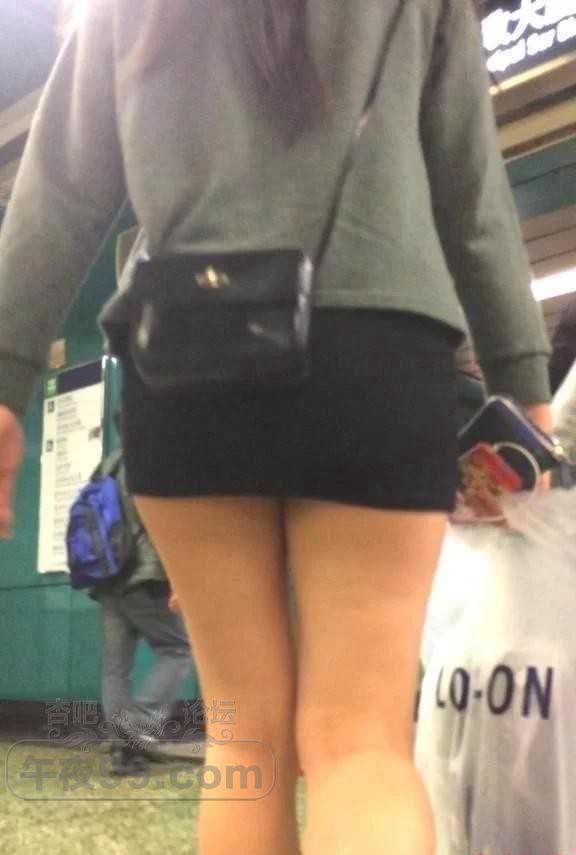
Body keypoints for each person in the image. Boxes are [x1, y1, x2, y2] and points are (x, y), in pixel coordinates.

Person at [0, 1, 552, 853]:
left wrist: (7, 378)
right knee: (360, 741)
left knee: (245, 738)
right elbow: (471, 197)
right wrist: (523, 385)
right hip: (379, 349)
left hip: (184, 359)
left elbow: (59, 192)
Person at [88, 440, 192, 776]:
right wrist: (178, 578)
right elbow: (165, 524)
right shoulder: (153, 457)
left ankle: (122, 748)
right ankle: (139, 729)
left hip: (108, 577)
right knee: (178, 648)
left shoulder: (107, 465)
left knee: (115, 669)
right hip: (143, 574)